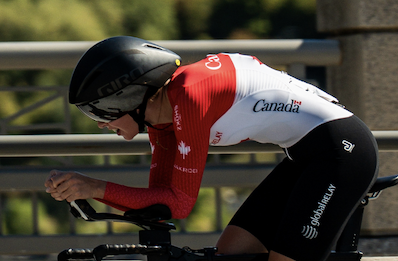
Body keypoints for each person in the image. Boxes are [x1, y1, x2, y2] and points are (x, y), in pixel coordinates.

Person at [44, 36, 377, 261]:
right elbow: (162, 203)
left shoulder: (190, 96)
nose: (100, 123)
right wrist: (86, 191)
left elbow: (180, 202)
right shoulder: (162, 119)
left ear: (130, 97)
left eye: (100, 111)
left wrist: (94, 187)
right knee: (231, 253)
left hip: (342, 152)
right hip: (305, 156)